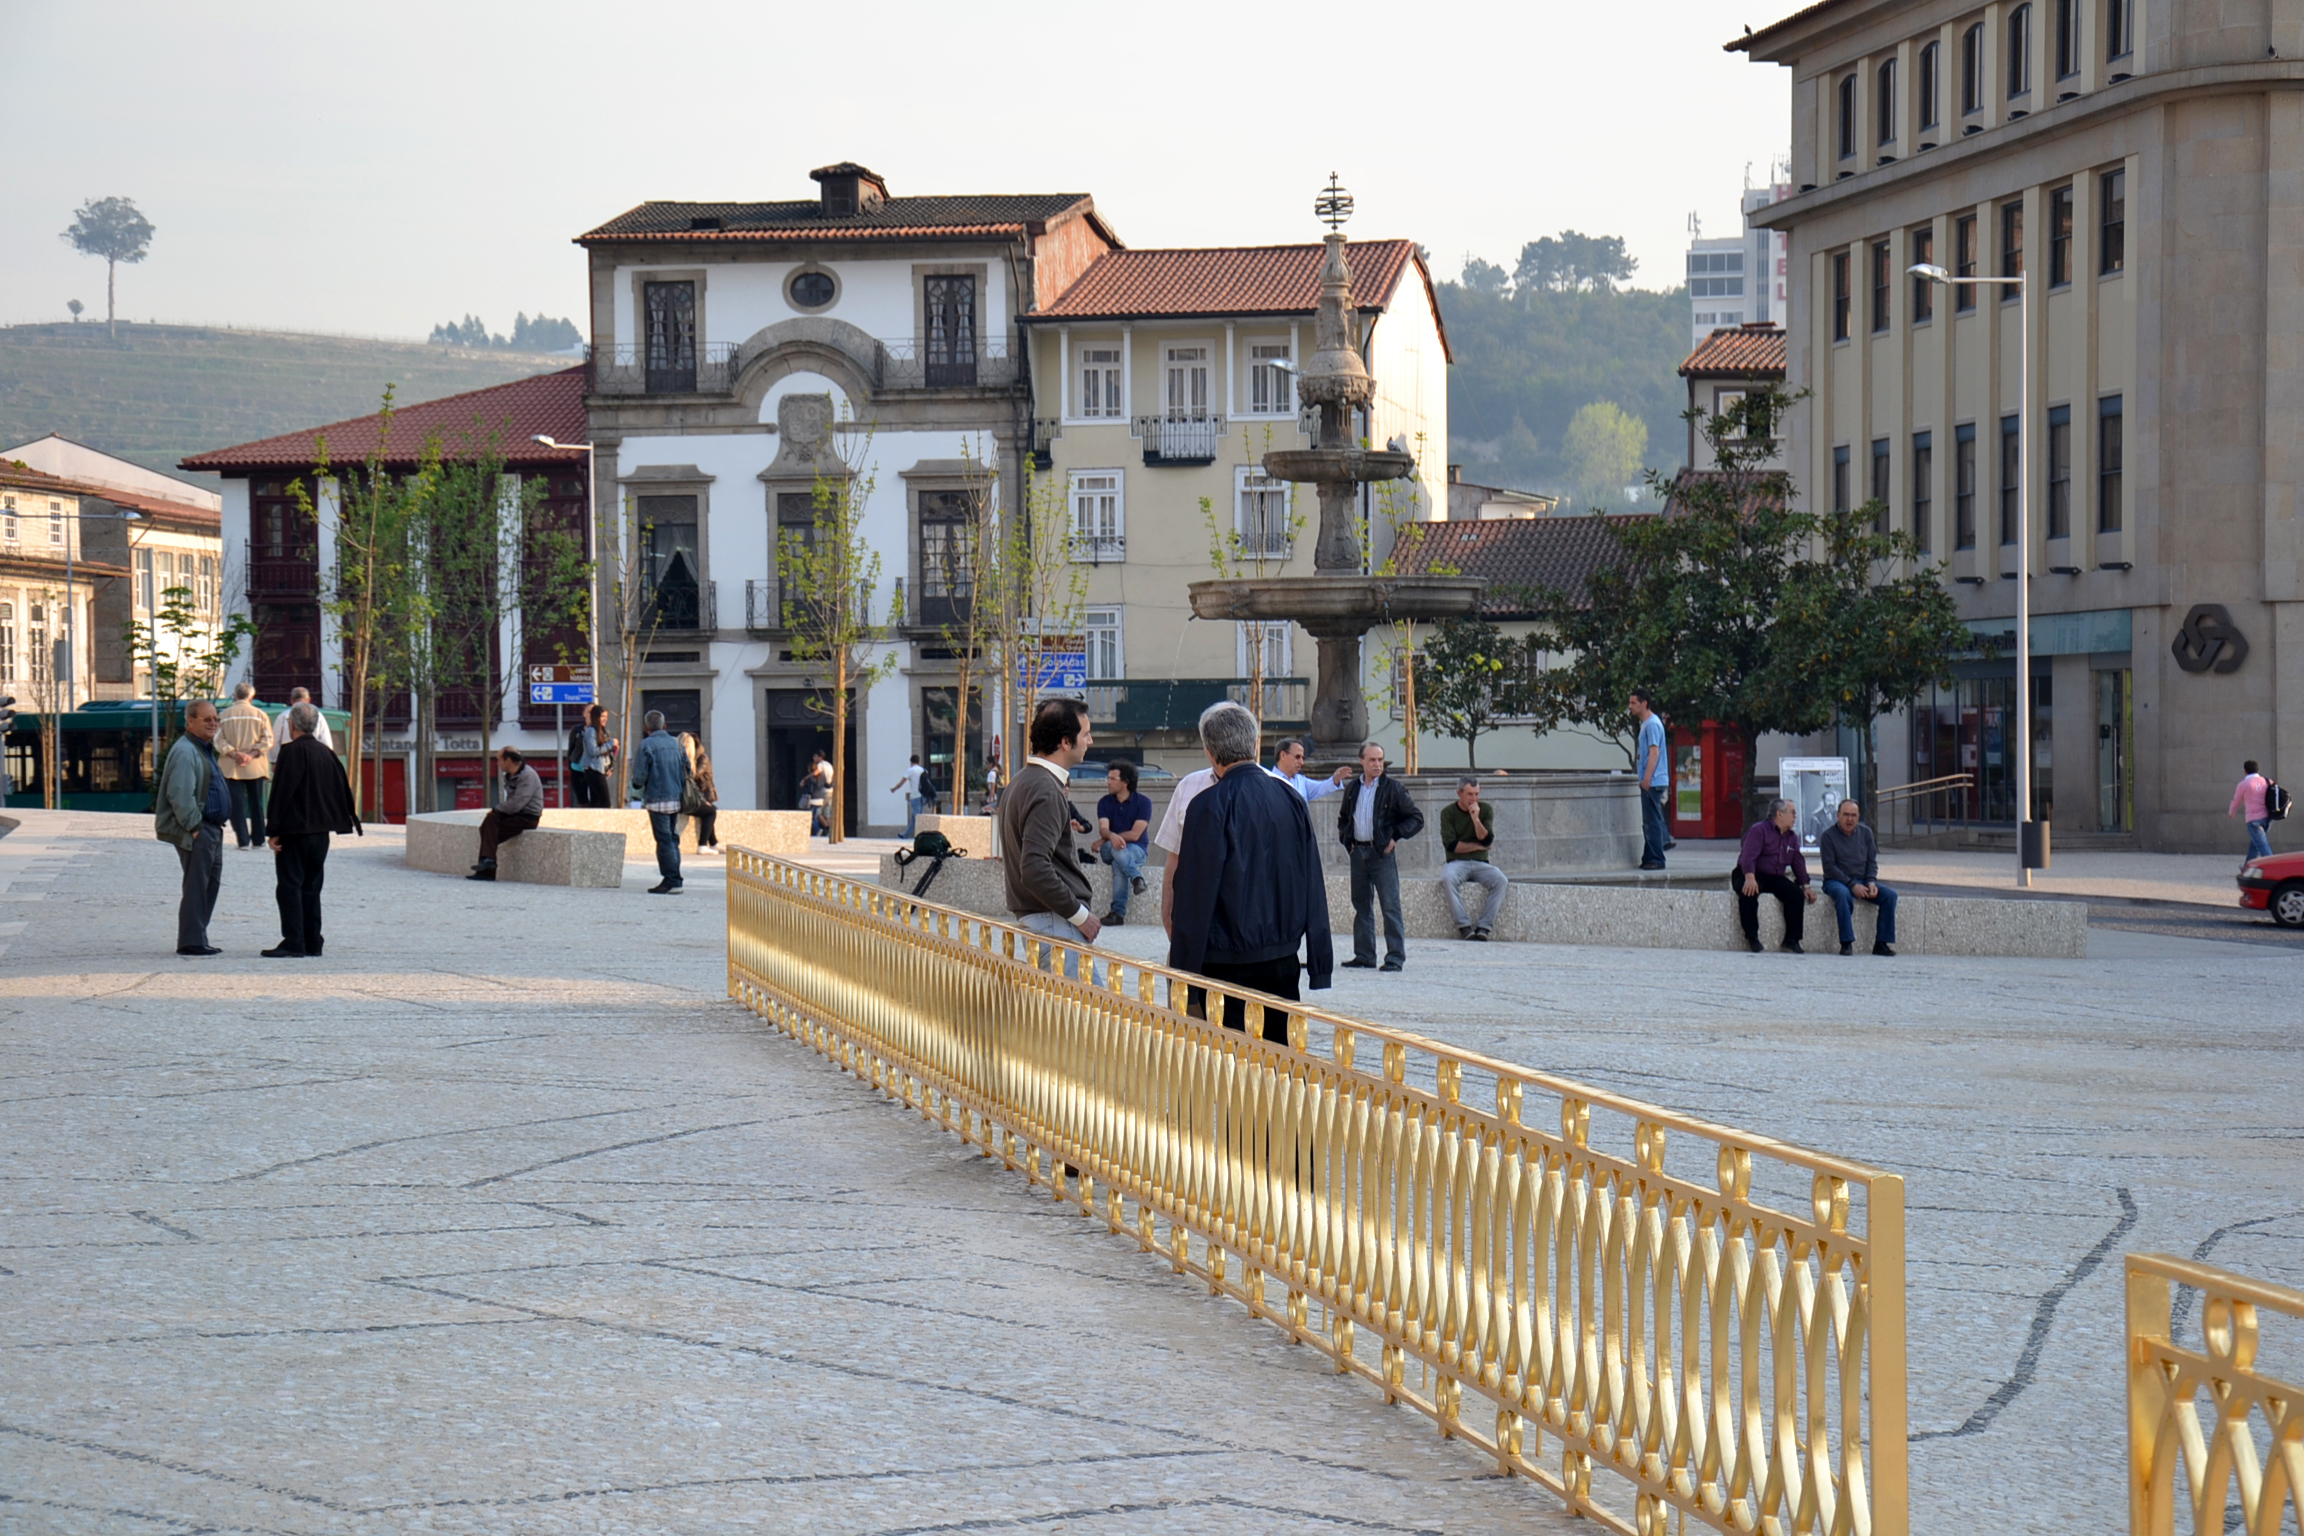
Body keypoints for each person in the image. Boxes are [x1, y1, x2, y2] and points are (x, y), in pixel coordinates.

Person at [1168, 701, 1334, 1040]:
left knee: (1232, 1066)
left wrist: (1182, 972)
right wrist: (1319, 963)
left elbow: (1194, 893)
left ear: (1210, 752)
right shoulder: (1291, 800)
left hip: (1223, 962)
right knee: (1281, 1057)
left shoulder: (1208, 805)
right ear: (1255, 745)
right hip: (1282, 958)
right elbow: (1312, 882)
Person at [998, 697, 1101, 979]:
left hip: (1043, 921)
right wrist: (1081, 916)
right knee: (1087, 1017)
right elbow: (1034, 867)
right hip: (1056, 923)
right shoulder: (1045, 789)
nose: (1089, 741)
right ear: (1066, 742)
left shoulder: (1021, 781)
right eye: (1085, 734)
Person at [263, 701, 358, 957]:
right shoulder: (327, 753)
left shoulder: (290, 752)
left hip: (295, 831)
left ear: (290, 724)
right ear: (316, 725)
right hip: (320, 833)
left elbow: (281, 793)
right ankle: (312, 940)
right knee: (312, 886)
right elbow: (339, 790)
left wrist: (273, 830)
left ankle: (294, 941)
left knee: (289, 885)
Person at [1337, 741, 1421, 972]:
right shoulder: (1354, 788)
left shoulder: (1393, 788)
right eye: (1372, 760)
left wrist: (1395, 836)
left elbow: (1416, 818)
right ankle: (1364, 955)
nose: (1377, 764)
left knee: (1390, 906)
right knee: (1361, 905)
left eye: (1380, 760)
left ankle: (1395, 957)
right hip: (1359, 852)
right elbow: (1344, 819)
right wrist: (1349, 842)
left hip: (1381, 854)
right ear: (1361, 761)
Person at [155, 699, 229, 956]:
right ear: (190, 721)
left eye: (215, 719)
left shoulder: (202, 748)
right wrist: (194, 826)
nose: (213, 723)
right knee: (197, 885)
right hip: (199, 829)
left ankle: (198, 936)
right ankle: (191, 941)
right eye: (207, 719)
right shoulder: (186, 751)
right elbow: (179, 793)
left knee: (208, 883)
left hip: (211, 829)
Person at [1736, 797, 1818, 954]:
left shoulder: (1792, 837)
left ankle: (1792, 940)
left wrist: (1806, 885)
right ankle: (1752, 938)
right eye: (1793, 813)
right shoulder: (1759, 830)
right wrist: (1750, 877)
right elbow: (1748, 857)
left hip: (1774, 876)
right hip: (1750, 872)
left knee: (1795, 894)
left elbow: (1797, 861)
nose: (1795, 817)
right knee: (1748, 892)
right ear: (1780, 814)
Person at [1817, 799, 1898, 956]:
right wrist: (1852, 885)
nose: (1850, 819)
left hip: (1862, 880)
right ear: (1838, 815)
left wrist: (1871, 881)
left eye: (1854, 815)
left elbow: (1871, 862)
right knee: (1843, 894)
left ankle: (1882, 943)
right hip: (1837, 881)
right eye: (1846, 815)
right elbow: (1829, 867)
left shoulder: (1866, 833)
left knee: (1890, 896)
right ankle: (1846, 942)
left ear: (1858, 816)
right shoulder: (1828, 836)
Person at [1439, 775, 1509, 941]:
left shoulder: (1485, 810)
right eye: (1470, 794)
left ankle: (1484, 927)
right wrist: (1479, 846)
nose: (1474, 798)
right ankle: (1464, 926)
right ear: (1460, 793)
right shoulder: (1448, 813)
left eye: (1477, 794)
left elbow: (1486, 839)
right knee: (1448, 878)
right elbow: (1451, 846)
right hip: (1456, 862)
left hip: (1481, 863)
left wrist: (1475, 818)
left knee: (1501, 880)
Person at [466, 748, 545, 882]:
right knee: (489, 826)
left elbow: (517, 804)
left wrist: (497, 808)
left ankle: (487, 869)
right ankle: (488, 864)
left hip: (527, 817)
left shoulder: (527, 776)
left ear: (508, 760)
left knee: (489, 831)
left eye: (499, 760)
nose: (497, 763)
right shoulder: (510, 775)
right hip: (515, 814)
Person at [633, 711, 689, 894]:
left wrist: (636, 785)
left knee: (664, 840)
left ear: (646, 727)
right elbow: (688, 769)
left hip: (657, 800)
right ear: (665, 726)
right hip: (677, 797)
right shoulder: (677, 743)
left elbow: (639, 777)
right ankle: (675, 877)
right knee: (673, 839)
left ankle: (672, 880)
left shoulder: (646, 745)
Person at [216, 682, 275, 850]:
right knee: (257, 803)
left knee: (236, 804)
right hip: (255, 766)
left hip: (231, 766)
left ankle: (242, 840)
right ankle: (259, 839)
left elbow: (218, 740)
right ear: (251, 696)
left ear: (235, 695)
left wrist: (234, 753)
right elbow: (268, 740)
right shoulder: (261, 715)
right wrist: (251, 755)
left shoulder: (224, 715)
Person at [1093, 760, 1153, 925]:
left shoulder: (1144, 803)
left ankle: (1117, 914)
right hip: (1108, 848)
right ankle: (1136, 878)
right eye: (1108, 778)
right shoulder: (1104, 802)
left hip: (1137, 850)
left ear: (1125, 782)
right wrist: (1110, 836)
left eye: (1113, 779)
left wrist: (1111, 838)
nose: (1108, 782)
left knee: (1119, 858)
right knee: (1116, 848)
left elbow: (1135, 835)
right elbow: (1103, 829)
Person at [1629, 687, 1669, 869]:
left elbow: (1654, 752)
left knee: (1651, 820)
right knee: (1650, 819)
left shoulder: (1652, 724)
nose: (1630, 707)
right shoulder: (1648, 724)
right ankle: (1649, 855)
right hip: (1654, 780)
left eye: (1633, 703)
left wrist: (1646, 778)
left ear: (1644, 704)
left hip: (1653, 781)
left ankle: (1656, 858)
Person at [1268, 737, 1352, 801]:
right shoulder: (1268, 782)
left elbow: (1321, 787)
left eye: (1302, 758)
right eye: (1297, 757)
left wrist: (1335, 779)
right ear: (1283, 755)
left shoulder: (1302, 781)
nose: (1301, 762)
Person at [2230, 760, 2274, 866]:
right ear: (2258, 769)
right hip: (2267, 818)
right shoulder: (2268, 781)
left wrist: (2232, 812)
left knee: (2262, 846)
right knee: (2256, 844)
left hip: (2253, 819)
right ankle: (2248, 866)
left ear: (2245, 771)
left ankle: (2275, 868)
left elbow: (2236, 800)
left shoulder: (2243, 784)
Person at [682, 732, 720, 851]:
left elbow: (697, 774)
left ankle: (713, 842)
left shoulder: (703, 758)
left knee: (709, 811)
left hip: (704, 792)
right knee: (710, 812)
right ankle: (704, 844)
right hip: (693, 796)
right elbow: (691, 778)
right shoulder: (688, 760)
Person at [574, 705, 617, 809]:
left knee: (596, 802)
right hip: (593, 770)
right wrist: (611, 743)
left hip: (600, 769)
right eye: (602, 716)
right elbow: (593, 751)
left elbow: (605, 752)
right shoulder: (591, 731)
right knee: (605, 802)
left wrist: (611, 762)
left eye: (606, 717)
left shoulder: (602, 731)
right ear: (596, 717)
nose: (605, 719)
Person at [272, 686, 332, 756]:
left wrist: (274, 761)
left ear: (291, 700)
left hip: (289, 756)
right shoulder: (318, 715)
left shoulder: (283, 716)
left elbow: (275, 741)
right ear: (309, 700)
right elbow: (325, 740)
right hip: (313, 756)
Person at [891, 754, 928, 839]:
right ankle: (905, 835)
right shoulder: (923, 770)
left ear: (911, 762)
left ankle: (922, 835)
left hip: (915, 796)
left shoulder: (910, 770)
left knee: (918, 818)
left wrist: (894, 789)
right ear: (919, 762)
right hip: (923, 796)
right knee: (914, 819)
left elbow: (901, 783)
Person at [802, 751, 834, 836]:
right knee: (827, 813)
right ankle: (830, 831)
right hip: (831, 790)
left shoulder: (820, 765)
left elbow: (816, 773)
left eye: (815, 757)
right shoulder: (829, 765)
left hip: (823, 792)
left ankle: (823, 829)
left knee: (818, 813)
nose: (814, 758)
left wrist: (805, 778)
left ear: (820, 757)